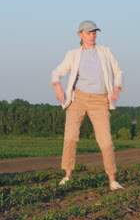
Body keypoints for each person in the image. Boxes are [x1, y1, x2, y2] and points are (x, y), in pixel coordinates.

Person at [51, 20, 124, 191]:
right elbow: (57, 72)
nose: (92, 35)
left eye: (94, 33)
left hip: (100, 101)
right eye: (88, 33)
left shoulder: (105, 52)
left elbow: (118, 71)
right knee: (70, 138)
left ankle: (112, 180)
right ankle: (68, 176)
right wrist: (58, 86)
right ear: (80, 35)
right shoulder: (73, 54)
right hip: (78, 99)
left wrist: (116, 88)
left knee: (106, 142)